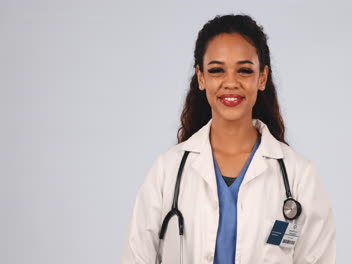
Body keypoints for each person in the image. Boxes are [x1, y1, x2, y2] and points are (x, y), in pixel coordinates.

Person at [121, 14, 336, 264]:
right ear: (201, 78)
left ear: (262, 77)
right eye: (216, 70)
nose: (231, 82)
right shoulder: (167, 171)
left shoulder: (300, 177)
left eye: (244, 70)